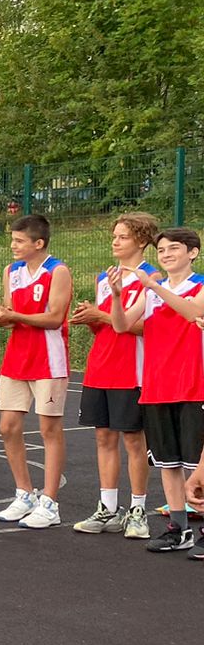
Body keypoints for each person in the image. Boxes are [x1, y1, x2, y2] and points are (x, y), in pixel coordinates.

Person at [107, 228, 204, 554]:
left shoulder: (199, 286)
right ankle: (179, 528)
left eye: (173, 248)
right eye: (161, 250)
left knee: (197, 464)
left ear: (192, 253)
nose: (165, 254)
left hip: (193, 385)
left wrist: (152, 286)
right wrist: (117, 296)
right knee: (168, 463)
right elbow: (121, 325)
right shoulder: (150, 292)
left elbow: (193, 312)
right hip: (157, 385)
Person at [69, 214, 159, 539]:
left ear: (141, 240)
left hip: (130, 369)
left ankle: (138, 510)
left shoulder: (152, 277)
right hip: (100, 367)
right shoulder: (105, 277)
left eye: (122, 236)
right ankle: (108, 507)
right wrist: (90, 318)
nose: (115, 241)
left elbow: (145, 327)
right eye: (114, 236)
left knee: (134, 440)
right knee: (103, 438)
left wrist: (102, 315)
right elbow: (107, 325)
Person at [0, 215, 72, 529]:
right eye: (13, 239)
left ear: (39, 243)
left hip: (49, 359)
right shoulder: (12, 271)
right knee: (7, 426)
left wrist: (16, 316)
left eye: (19, 241)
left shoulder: (57, 271)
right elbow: (13, 314)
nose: (13, 245)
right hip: (17, 357)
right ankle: (25, 493)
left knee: (49, 429)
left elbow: (55, 317)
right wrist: (3, 319)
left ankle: (50, 502)